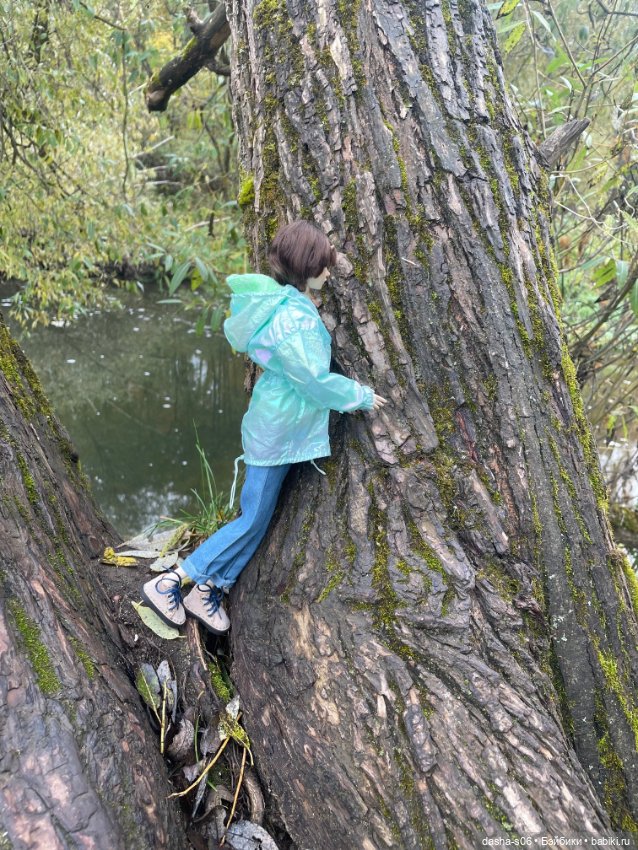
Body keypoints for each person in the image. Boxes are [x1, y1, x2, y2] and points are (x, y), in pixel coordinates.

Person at [140, 220, 388, 634]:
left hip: (277, 426)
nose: (330, 270)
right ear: (309, 267)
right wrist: (358, 396)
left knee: (257, 515)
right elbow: (311, 379)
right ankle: (174, 581)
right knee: (252, 517)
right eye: (324, 264)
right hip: (276, 431)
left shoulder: (288, 307)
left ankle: (209, 591)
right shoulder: (297, 320)